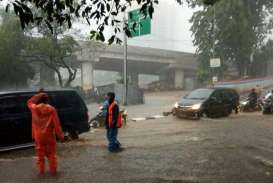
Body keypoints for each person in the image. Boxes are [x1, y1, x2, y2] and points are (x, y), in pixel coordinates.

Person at [27, 93, 64, 176]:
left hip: (38, 136)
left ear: (38, 100)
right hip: (49, 136)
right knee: (51, 154)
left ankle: (41, 171)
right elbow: (56, 124)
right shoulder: (52, 109)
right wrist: (60, 136)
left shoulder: (34, 108)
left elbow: (29, 102)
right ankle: (53, 171)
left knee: (40, 155)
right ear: (47, 100)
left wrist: (39, 94)